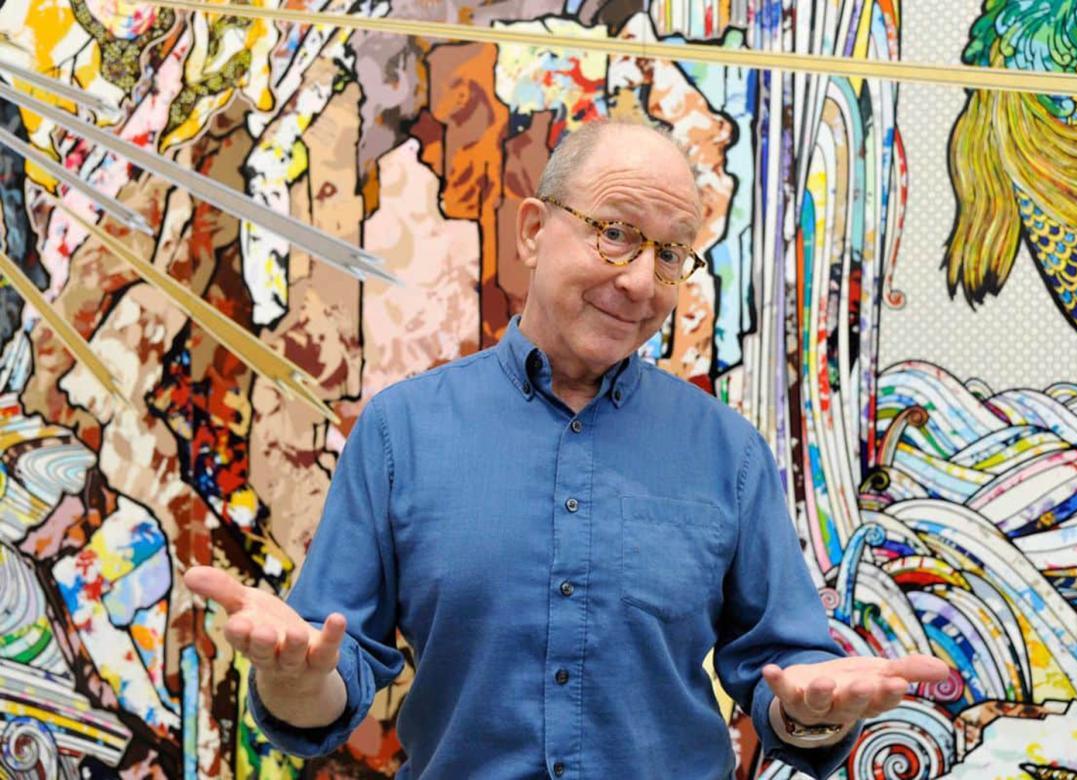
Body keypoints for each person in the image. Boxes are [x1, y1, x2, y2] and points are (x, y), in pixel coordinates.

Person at [185, 119, 947, 779]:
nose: (642, 282)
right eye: (615, 233)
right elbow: (328, 675)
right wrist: (291, 678)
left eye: (673, 254)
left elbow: (788, 684)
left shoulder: (730, 454)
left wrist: (817, 710)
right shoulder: (400, 433)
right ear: (530, 230)